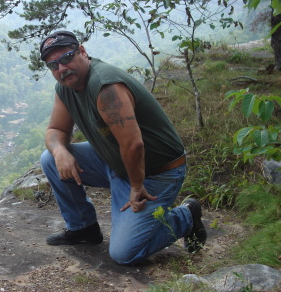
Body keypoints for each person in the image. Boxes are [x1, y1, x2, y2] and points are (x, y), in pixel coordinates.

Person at [39, 30, 207, 265]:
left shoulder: (105, 87)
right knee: (49, 158)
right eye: (53, 65)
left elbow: (133, 144)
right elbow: (56, 130)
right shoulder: (66, 88)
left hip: (154, 173)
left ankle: (185, 217)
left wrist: (136, 186)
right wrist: (60, 151)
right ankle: (83, 228)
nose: (61, 68)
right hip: (115, 161)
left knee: (125, 253)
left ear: (83, 52)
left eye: (66, 57)